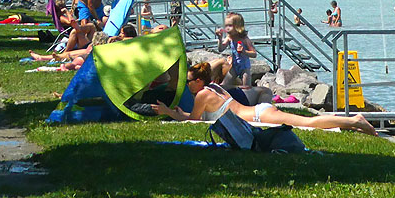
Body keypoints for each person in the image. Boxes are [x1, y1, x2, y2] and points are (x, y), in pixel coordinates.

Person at [152, 62, 377, 135]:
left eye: (189, 81)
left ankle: (354, 120)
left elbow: (193, 119)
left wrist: (169, 112)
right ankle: (350, 125)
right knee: (307, 122)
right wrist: (175, 113)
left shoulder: (202, 94)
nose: (187, 85)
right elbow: (194, 117)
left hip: (259, 115)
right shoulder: (213, 88)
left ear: (199, 82)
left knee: (309, 122)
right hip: (260, 111)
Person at [216, 12, 257, 86]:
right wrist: (220, 38)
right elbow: (221, 49)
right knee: (224, 85)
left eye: (230, 25)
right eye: (226, 26)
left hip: (244, 67)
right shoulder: (229, 38)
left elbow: (254, 54)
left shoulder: (244, 39)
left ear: (238, 26)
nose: (227, 28)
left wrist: (244, 51)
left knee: (246, 87)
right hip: (234, 66)